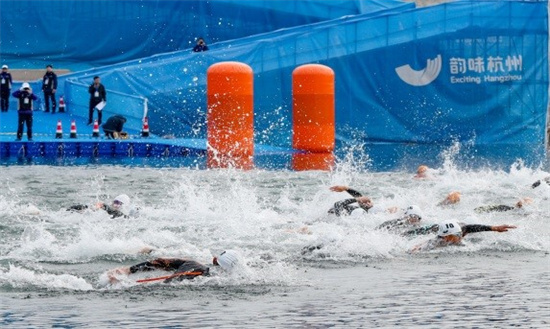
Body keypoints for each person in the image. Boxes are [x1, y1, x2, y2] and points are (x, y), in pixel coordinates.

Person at [106, 250, 240, 284]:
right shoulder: (229, 277)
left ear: (215, 259)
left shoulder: (196, 266)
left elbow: (160, 262)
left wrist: (128, 271)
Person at [411, 221, 516, 252]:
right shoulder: (437, 242)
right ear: (447, 237)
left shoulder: (460, 231)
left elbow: (470, 227)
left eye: (460, 233)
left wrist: (495, 228)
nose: (460, 236)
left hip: (458, 224)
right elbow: (417, 248)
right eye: (457, 235)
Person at [67, 194, 135, 218]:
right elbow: (102, 205)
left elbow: (103, 205)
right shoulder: (111, 210)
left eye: (118, 203)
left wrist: (97, 207)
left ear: (124, 206)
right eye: (115, 202)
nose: (115, 205)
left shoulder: (121, 215)